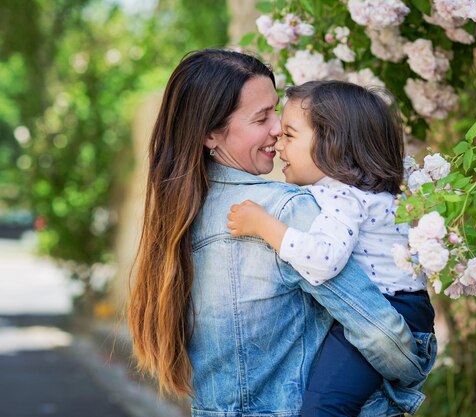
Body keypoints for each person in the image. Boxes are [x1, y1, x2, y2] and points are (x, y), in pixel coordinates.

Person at [127, 49, 434, 417]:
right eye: (262, 118)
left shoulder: (183, 214)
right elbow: (380, 334)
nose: (277, 128)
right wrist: (412, 372)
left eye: (276, 111)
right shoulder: (284, 209)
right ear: (211, 133)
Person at [226, 80, 436, 416]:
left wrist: (263, 225)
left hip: (388, 310)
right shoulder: (363, 192)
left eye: (290, 135)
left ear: (332, 143)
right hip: (401, 306)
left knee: (324, 408)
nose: (279, 144)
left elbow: (324, 260)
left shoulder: (342, 196)